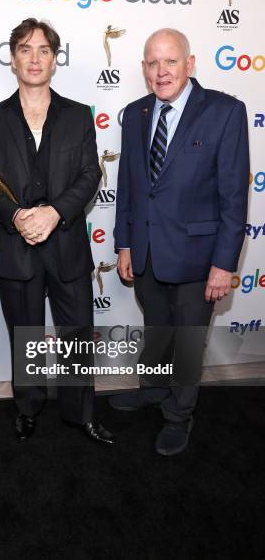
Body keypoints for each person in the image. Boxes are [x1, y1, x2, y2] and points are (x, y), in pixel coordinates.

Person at [0, 18, 114, 445]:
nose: (34, 58)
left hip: (68, 245)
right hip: (17, 247)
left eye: (43, 50)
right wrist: (18, 217)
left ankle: (81, 414)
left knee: (76, 335)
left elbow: (90, 175)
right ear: (13, 57)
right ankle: (29, 407)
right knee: (26, 334)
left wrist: (54, 213)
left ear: (55, 59)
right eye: (25, 49)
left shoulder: (77, 115)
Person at [111, 28, 249, 455]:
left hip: (199, 256)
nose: (161, 71)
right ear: (143, 69)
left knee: (188, 341)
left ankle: (178, 415)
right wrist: (125, 244)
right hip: (147, 251)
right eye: (152, 63)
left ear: (189, 64)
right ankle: (152, 390)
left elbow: (233, 195)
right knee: (157, 331)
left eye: (170, 61)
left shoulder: (225, 112)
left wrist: (224, 264)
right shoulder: (134, 113)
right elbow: (130, 186)